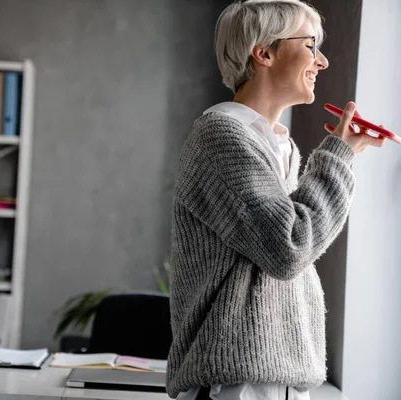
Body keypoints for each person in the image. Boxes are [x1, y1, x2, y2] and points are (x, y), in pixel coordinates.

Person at [165, 1, 386, 399]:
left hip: (272, 381)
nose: (322, 62)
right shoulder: (222, 136)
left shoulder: (277, 146)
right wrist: (338, 158)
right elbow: (289, 247)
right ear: (264, 52)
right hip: (235, 385)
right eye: (311, 45)